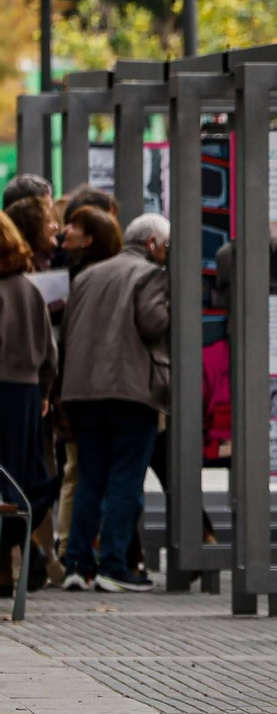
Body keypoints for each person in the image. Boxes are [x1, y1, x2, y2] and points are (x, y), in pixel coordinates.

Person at [59, 209, 167, 592]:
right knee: (125, 478)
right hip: (130, 391)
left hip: (82, 392)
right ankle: (115, 566)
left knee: (90, 477)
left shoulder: (89, 274)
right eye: (165, 247)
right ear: (152, 244)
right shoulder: (150, 274)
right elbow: (154, 323)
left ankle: (77, 564)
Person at [0, 211, 57, 595]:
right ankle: (13, 564)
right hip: (24, 395)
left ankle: (6, 569)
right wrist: (45, 393)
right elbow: (50, 353)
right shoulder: (28, 288)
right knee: (16, 481)